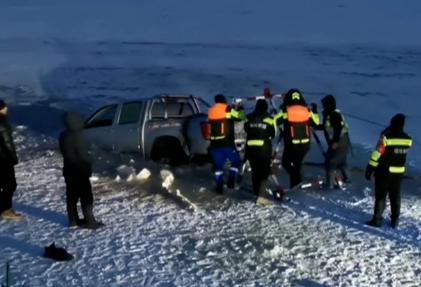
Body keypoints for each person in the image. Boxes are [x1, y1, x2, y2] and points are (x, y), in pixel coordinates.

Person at [365, 113, 412, 228]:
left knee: (381, 196)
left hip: (384, 172)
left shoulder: (386, 138)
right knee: (395, 196)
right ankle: (395, 220)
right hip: (399, 172)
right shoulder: (408, 139)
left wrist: (370, 167)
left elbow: (377, 154)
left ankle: (377, 220)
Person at [59, 112, 104, 229]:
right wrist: (91, 159)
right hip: (80, 171)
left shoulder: (63, 135)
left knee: (71, 196)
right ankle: (90, 221)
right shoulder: (77, 137)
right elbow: (83, 156)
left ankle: (73, 220)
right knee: (86, 196)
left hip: (68, 170)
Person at [274, 89, 320, 188]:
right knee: (297, 163)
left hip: (292, 144)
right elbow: (316, 123)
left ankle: (296, 181)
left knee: (286, 162)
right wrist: (315, 111)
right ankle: (296, 181)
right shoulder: (307, 111)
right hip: (305, 144)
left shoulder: (286, 111)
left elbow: (275, 121)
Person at [208, 94, 246, 194]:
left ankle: (219, 188)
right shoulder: (226, 108)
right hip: (227, 142)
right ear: (224, 100)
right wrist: (241, 108)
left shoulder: (211, 110)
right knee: (236, 161)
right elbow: (240, 117)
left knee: (218, 165)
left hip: (215, 144)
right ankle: (231, 182)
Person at [316, 94, 351, 188]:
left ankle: (329, 184)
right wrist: (315, 127)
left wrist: (335, 142)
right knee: (341, 161)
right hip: (343, 141)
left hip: (340, 141)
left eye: (324, 105)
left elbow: (338, 128)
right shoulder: (330, 115)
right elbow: (326, 127)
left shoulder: (334, 115)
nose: (322, 107)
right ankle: (347, 179)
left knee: (331, 162)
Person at [244, 99, 276, 198]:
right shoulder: (270, 119)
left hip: (251, 149)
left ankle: (256, 192)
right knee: (264, 172)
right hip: (264, 150)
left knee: (255, 172)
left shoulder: (249, 117)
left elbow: (246, 129)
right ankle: (261, 195)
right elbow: (273, 133)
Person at [0, 99, 23, 220]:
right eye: (4, 108)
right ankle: (6, 209)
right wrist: (12, 158)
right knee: (10, 185)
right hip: (3, 159)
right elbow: (6, 143)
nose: (6, 109)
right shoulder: (2, 122)